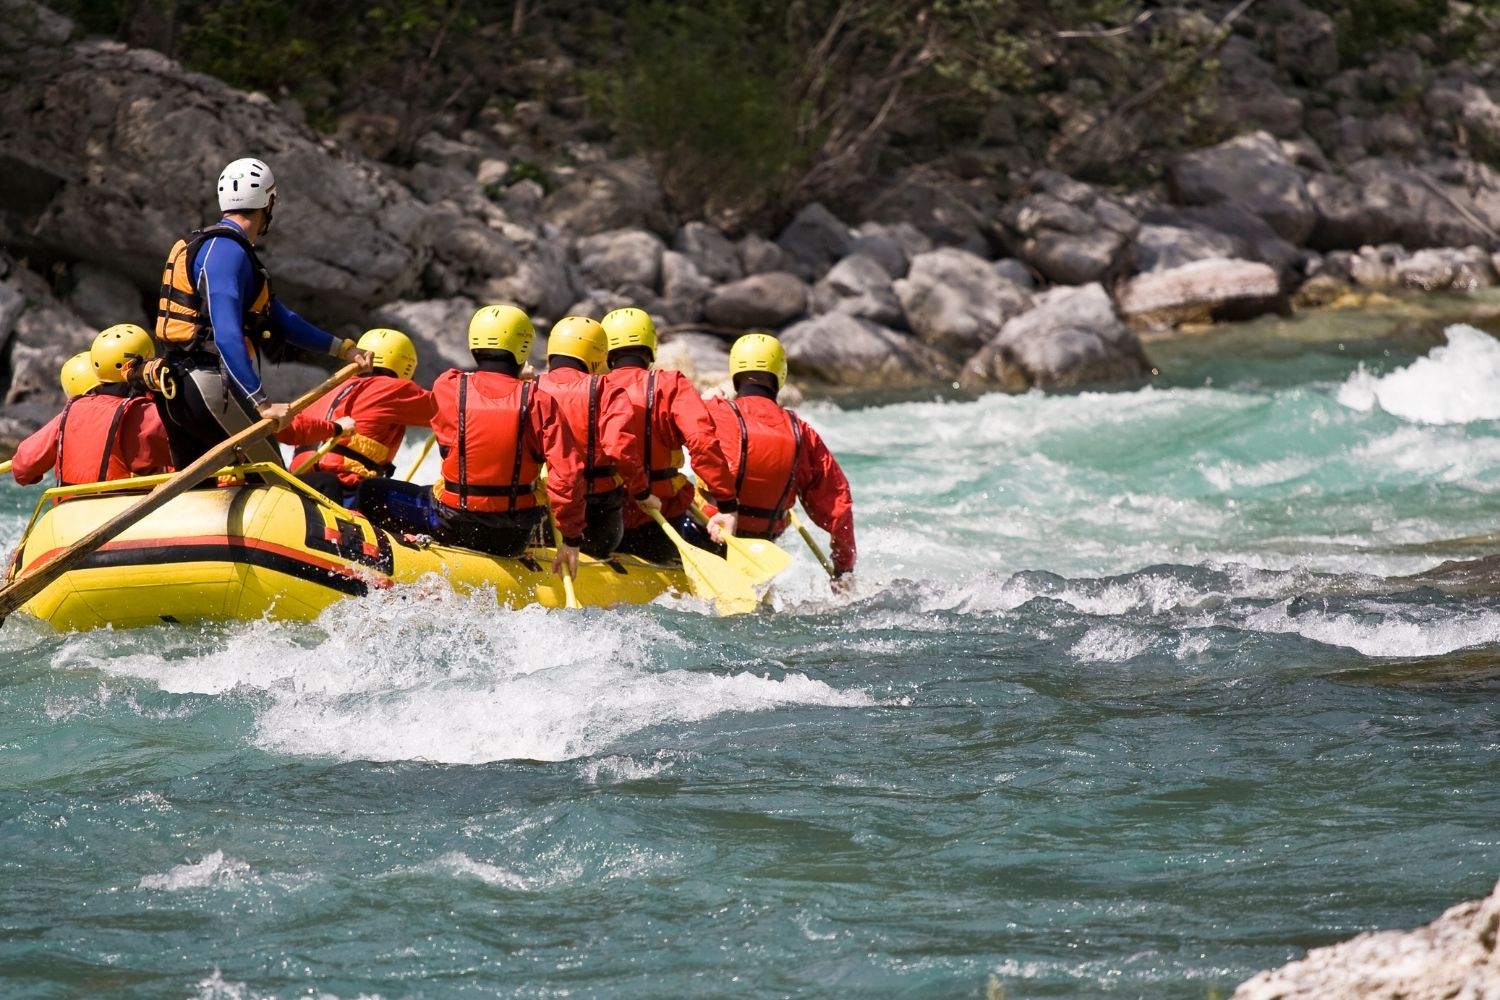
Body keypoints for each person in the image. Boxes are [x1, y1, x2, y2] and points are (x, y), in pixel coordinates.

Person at [153, 156, 370, 470]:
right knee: (275, 481)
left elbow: (282, 319)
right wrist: (261, 402)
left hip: (173, 388)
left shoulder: (211, 247)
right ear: (267, 204)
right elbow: (227, 335)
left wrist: (345, 350)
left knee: (203, 488)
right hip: (207, 386)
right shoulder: (228, 252)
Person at [358, 305, 585, 577]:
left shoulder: (448, 386)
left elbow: (446, 444)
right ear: (523, 349)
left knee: (370, 491)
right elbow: (568, 476)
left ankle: (396, 557)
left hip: (452, 524)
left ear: (474, 344)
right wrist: (571, 540)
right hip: (511, 537)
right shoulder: (540, 400)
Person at [702, 333, 857, 585]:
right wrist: (843, 568)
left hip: (709, 533)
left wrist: (706, 400)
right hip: (763, 546)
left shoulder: (713, 411)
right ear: (780, 376)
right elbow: (838, 504)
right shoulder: (802, 432)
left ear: (735, 373)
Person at [600, 307, 737, 563]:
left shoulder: (590, 388)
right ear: (650, 346)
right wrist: (727, 503)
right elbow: (702, 443)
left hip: (600, 520)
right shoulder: (670, 385)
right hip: (658, 520)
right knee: (717, 549)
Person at [535, 316, 655, 558]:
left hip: (541, 513)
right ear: (598, 354)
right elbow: (619, 448)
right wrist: (642, 492)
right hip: (598, 521)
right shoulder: (605, 390)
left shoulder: (528, 389)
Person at [10, 325, 172, 488]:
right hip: (127, 506)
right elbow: (186, 451)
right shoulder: (146, 414)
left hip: (70, 507)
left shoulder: (70, 412)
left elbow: (22, 469)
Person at [290, 328, 436, 506]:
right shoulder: (394, 389)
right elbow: (448, 410)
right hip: (344, 488)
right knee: (429, 502)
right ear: (406, 366)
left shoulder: (328, 388)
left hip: (299, 481)